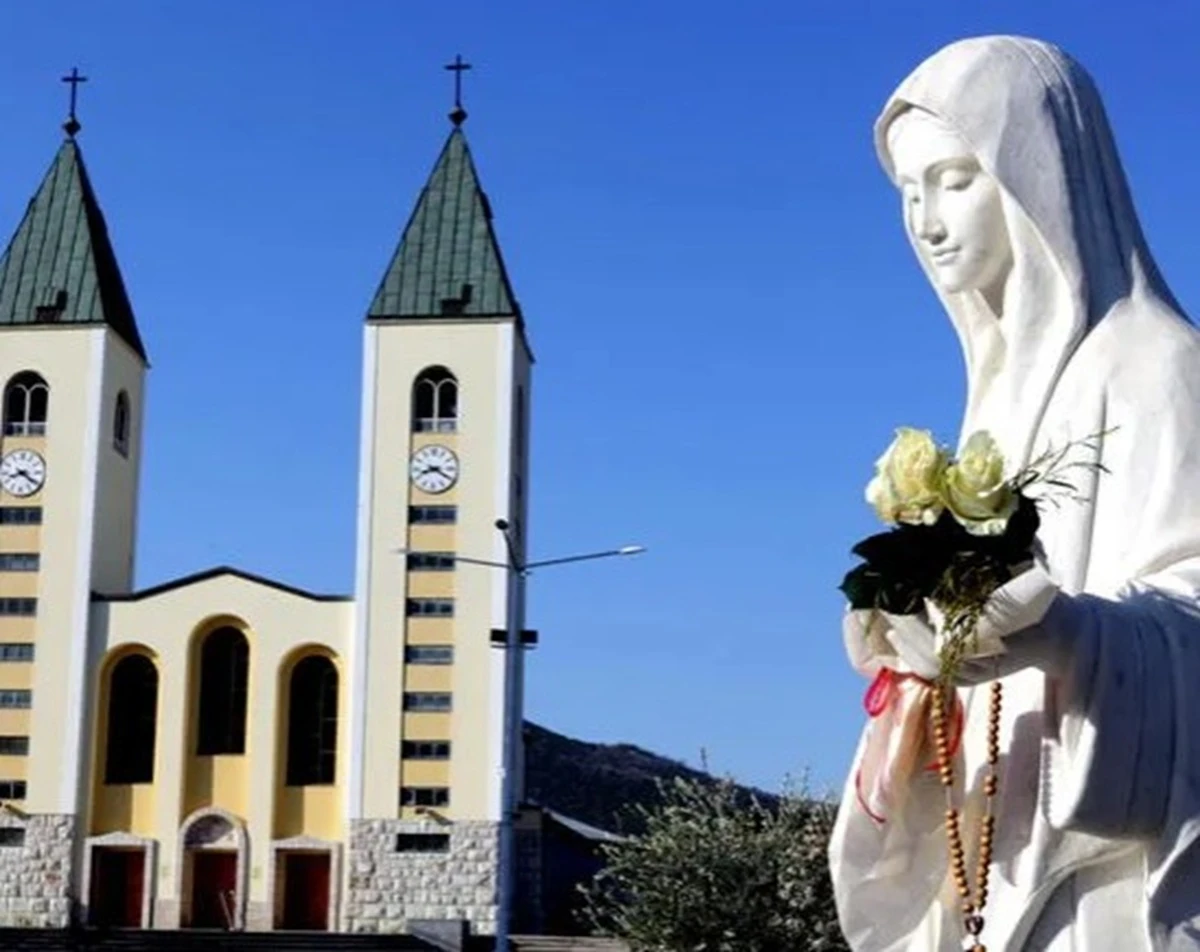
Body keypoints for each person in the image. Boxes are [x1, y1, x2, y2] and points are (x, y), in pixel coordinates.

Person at [829, 35, 1200, 951]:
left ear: (1042, 178)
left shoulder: (1157, 367)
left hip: (1108, 874)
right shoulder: (994, 403)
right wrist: (911, 644)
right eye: (909, 192)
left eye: (955, 178)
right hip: (993, 848)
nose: (926, 218)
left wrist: (1068, 635)